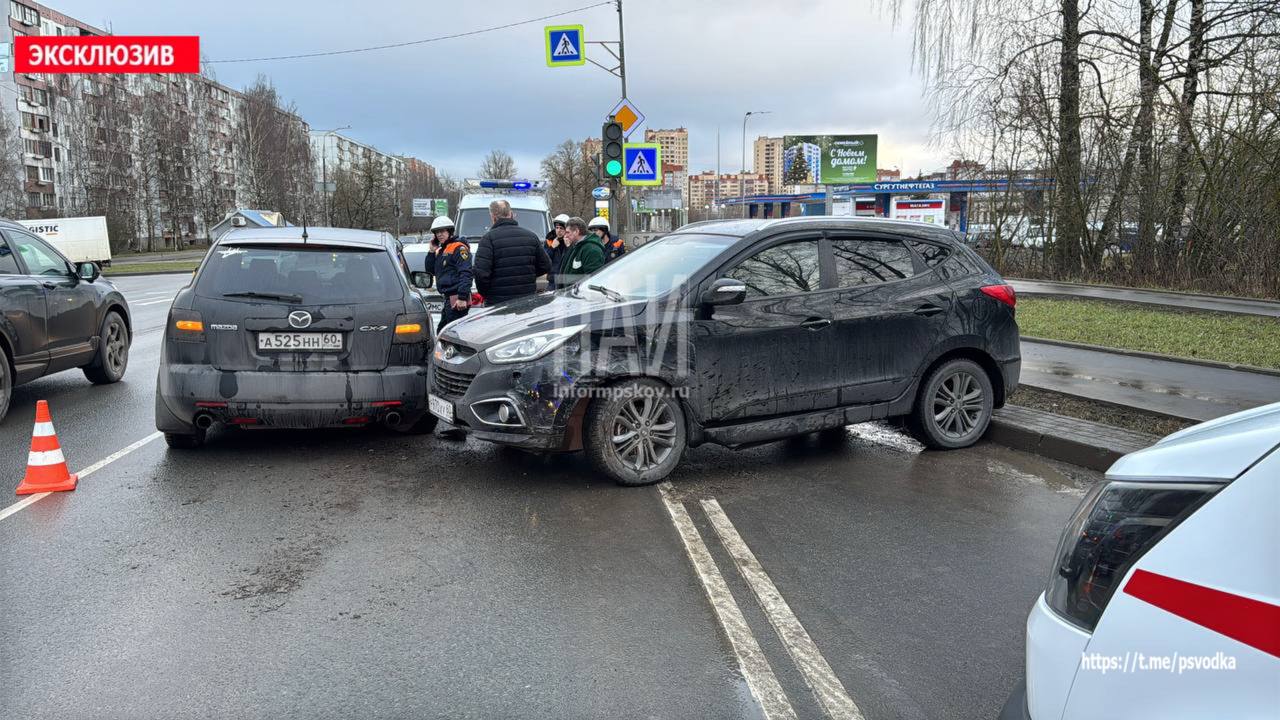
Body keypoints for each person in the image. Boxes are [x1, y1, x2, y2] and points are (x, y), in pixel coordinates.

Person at [474, 199, 551, 305]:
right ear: (511, 214)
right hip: (526, 300)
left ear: (493, 217)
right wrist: (529, 275)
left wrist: (486, 294)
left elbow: (481, 274)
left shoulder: (487, 239)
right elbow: (546, 265)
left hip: (497, 303)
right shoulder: (531, 236)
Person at [432, 216, 472, 335]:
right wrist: (431, 251)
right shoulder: (442, 250)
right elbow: (430, 269)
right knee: (442, 333)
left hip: (456, 300)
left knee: (454, 335)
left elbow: (466, 273)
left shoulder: (459, 248)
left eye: (442, 231)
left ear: (449, 231)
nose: (439, 235)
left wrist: (462, 298)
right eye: (437, 232)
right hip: (448, 299)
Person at [556, 216, 606, 287]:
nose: (565, 235)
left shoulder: (592, 250)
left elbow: (592, 280)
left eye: (567, 232)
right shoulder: (576, 245)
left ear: (576, 231)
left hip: (578, 296)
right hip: (569, 295)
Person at [545, 213, 569, 288]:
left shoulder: (571, 241)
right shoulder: (550, 241)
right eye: (557, 227)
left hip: (567, 281)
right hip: (552, 281)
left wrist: (569, 247)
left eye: (561, 228)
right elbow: (544, 260)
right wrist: (552, 247)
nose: (558, 230)